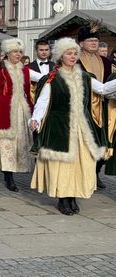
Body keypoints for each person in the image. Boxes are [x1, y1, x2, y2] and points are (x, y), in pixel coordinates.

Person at [30, 38, 116, 215]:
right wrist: (36, 119)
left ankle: (73, 196)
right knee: (63, 165)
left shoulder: (85, 77)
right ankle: (63, 198)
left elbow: (104, 89)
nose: (73, 56)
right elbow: (43, 101)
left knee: (79, 164)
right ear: (61, 56)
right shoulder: (52, 79)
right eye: (69, 53)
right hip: (59, 128)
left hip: (81, 129)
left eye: (75, 53)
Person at [0, 39, 44, 192]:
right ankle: (8, 176)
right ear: (7, 54)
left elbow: (44, 78)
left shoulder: (26, 71)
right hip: (3, 111)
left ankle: (15, 170)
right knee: (7, 144)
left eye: (20, 52)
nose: (18, 55)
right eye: (15, 52)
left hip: (22, 112)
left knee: (18, 144)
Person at [75, 23, 113, 189]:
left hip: (103, 107)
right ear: (81, 43)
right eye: (90, 40)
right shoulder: (75, 60)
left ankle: (96, 172)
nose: (94, 43)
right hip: (83, 107)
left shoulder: (105, 61)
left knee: (104, 142)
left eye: (96, 40)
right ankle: (83, 174)